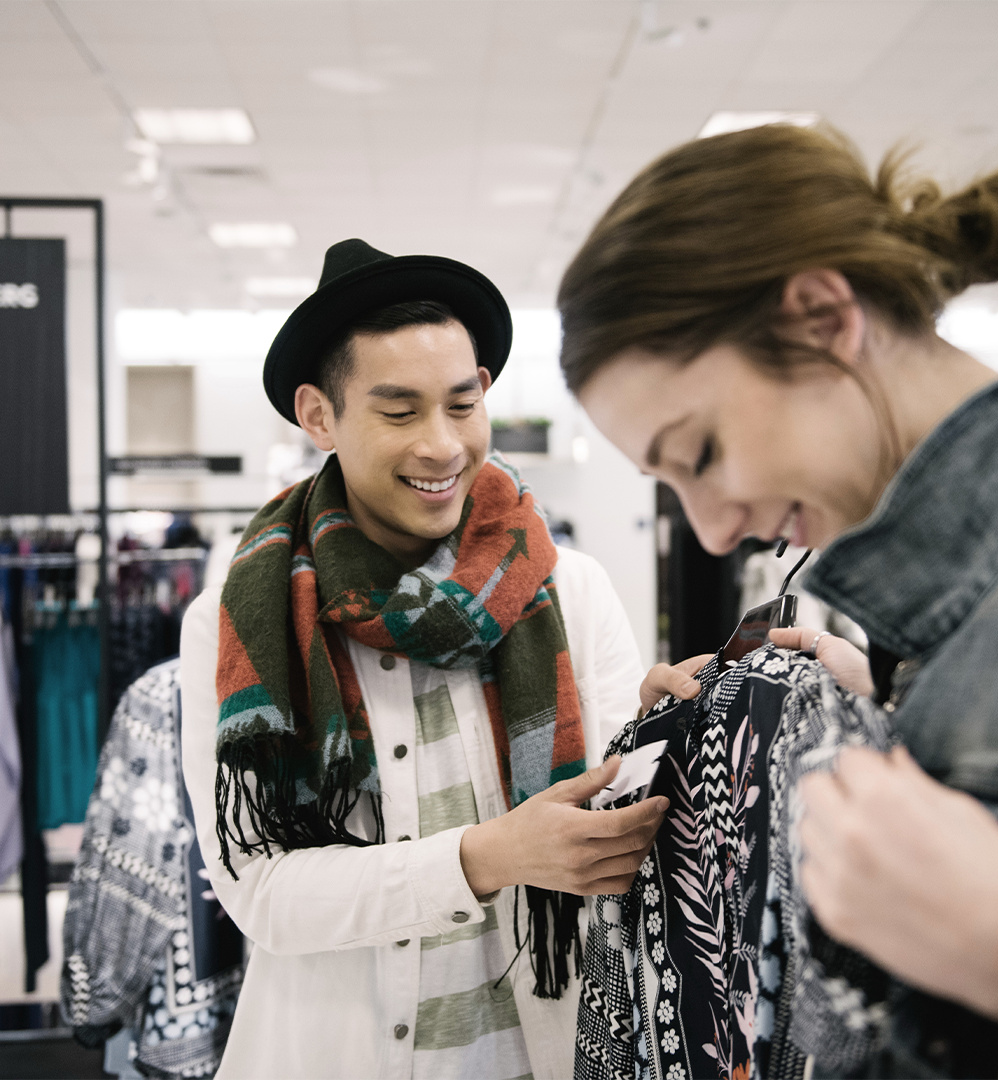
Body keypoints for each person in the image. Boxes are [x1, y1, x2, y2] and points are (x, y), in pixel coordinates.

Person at [556, 123, 998, 1077]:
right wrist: (893, 694)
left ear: (822, 318)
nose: (713, 532)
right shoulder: (953, 615)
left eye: (701, 454)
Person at [179, 238, 666, 1079]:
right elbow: (260, 892)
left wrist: (673, 734)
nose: (443, 446)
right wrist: (483, 859)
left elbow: (618, 825)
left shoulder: (570, 591)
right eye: (399, 412)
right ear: (319, 415)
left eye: (462, 404)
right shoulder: (239, 625)